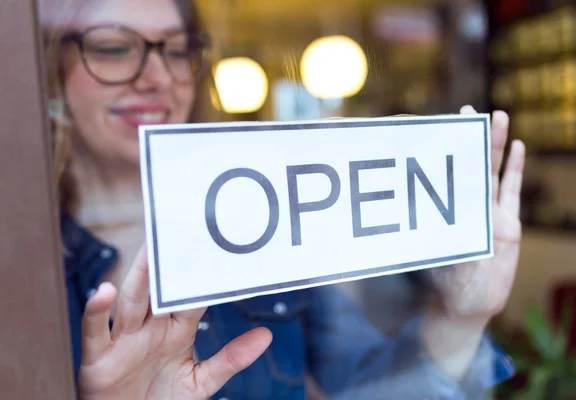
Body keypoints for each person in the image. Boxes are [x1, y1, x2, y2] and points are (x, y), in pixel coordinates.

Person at [41, 0, 526, 398]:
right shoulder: (24, 273)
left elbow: (371, 385)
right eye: (112, 48)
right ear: (49, 70)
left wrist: (459, 321)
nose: (156, 77)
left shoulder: (264, 233)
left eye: (176, 49)